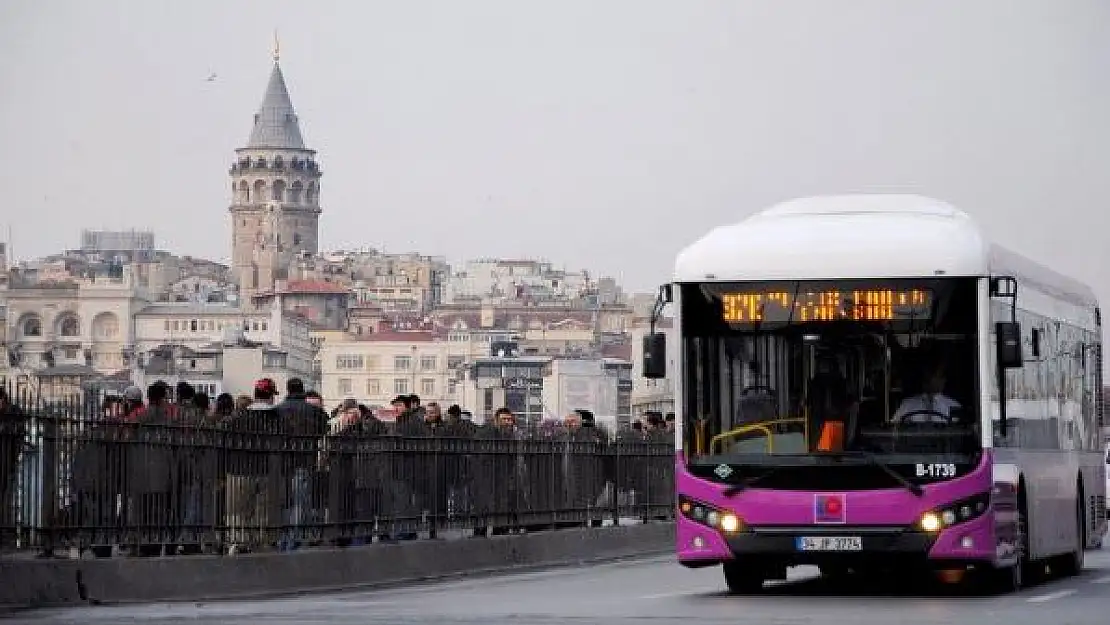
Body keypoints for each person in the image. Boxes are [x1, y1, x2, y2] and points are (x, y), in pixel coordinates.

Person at [892, 359, 960, 423]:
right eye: (939, 376)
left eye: (942, 377)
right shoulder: (907, 405)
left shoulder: (953, 406)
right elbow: (894, 428)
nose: (943, 380)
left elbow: (958, 430)